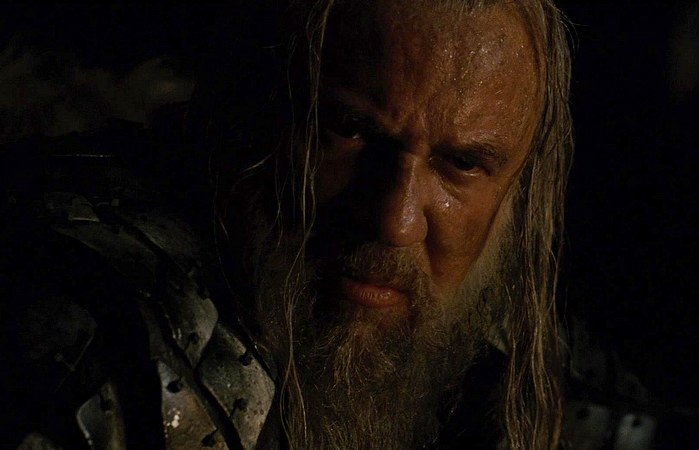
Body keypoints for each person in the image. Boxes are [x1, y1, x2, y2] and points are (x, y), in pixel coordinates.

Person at [1, 1, 571, 448]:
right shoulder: (82, 326)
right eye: (349, 130)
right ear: (249, 110)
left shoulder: (489, 389)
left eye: (462, 163)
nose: (395, 223)